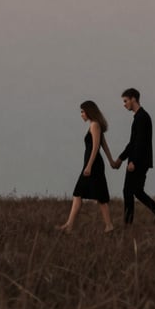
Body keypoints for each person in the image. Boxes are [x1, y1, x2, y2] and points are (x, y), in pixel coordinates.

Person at [112, 88, 155, 230]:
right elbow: (133, 143)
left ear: (133, 99)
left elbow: (140, 143)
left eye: (125, 101)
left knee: (128, 191)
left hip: (138, 162)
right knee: (137, 191)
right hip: (138, 161)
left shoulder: (142, 117)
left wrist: (133, 162)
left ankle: (128, 225)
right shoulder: (139, 118)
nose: (124, 104)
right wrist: (121, 159)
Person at [56, 100, 116, 233]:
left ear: (89, 111)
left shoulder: (94, 125)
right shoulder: (96, 125)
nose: (81, 115)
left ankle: (71, 226)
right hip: (93, 164)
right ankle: (70, 225)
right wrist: (111, 161)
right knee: (92, 195)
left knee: (81, 193)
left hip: (93, 165)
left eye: (83, 112)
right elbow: (103, 144)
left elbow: (96, 146)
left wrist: (88, 166)